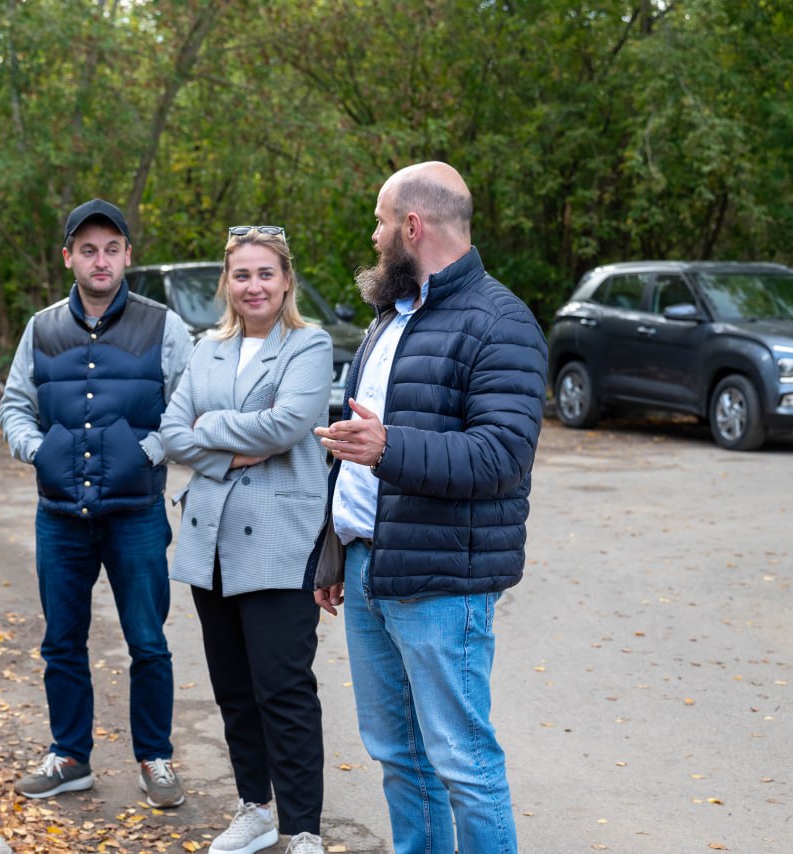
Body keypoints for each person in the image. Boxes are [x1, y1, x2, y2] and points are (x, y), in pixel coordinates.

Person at [307, 162, 547, 854]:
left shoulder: (501, 322)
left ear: (412, 227)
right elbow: (354, 450)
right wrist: (335, 550)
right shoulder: (391, 316)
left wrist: (389, 447)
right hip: (365, 570)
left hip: (443, 584)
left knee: (461, 763)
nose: (375, 236)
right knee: (397, 755)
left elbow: (501, 457)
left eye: (381, 223)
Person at [0, 198, 193, 806]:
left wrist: (149, 452)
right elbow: (13, 405)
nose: (100, 259)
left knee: (147, 641)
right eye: (88, 249)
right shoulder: (41, 327)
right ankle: (69, 756)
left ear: (128, 255)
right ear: (69, 259)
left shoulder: (165, 326)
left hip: (135, 513)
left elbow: (191, 407)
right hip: (59, 516)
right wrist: (38, 450)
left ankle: (155, 759)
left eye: (111, 248)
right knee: (62, 639)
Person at [160, 226, 331, 854]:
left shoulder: (308, 346)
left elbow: (289, 424)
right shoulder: (206, 349)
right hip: (211, 540)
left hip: (281, 539)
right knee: (233, 686)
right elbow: (172, 433)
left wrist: (213, 428)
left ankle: (302, 828)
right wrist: (228, 453)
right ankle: (255, 809)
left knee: (283, 688)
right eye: (241, 275)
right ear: (226, 285)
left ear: (286, 279)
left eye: (265, 273)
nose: (253, 285)